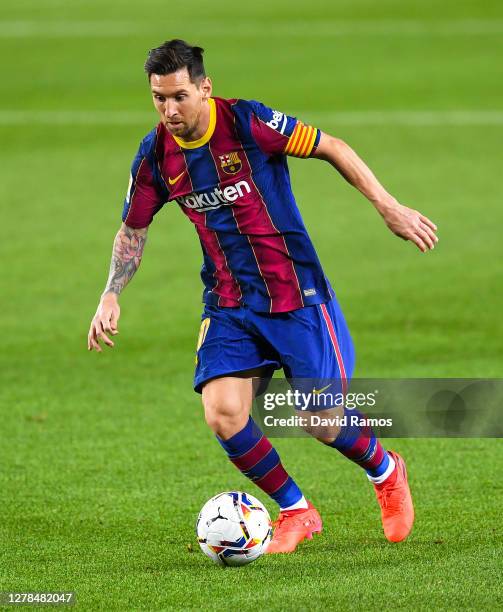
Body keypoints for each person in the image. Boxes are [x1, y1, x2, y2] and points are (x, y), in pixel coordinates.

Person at [87, 39, 438, 553]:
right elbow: (132, 230)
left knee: (318, 421)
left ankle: (385, 470)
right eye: (159, 98)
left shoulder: (248, 123)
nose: (169, 110)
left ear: (205, 88)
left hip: (297, 294)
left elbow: (332, 146)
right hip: (230, 303)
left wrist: (389, 207)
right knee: (223, 412)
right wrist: (111, 293)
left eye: (179, 96)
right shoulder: (156, 157)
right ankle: (297, 511)